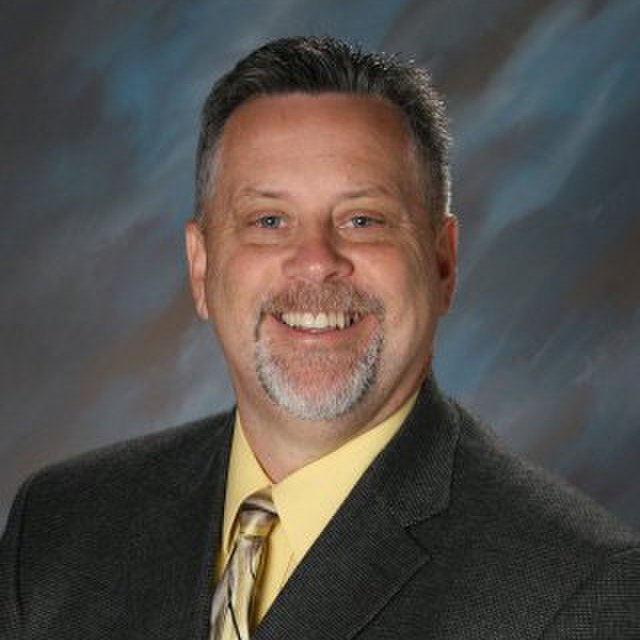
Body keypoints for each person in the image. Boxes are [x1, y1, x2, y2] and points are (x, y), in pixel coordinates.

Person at [1, 36, 638, 640]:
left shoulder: (578, 589)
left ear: (443, 263)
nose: (315, 262)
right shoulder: (59, 528)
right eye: (268, 220)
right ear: (200, 268)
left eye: (363, 220)